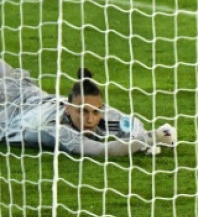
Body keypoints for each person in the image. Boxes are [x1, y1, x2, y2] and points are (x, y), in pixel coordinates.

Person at [0, 60, 177, 157]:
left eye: (95, 112)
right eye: (82, 111)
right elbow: (104, 150)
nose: (90, 119)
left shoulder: (102, 115)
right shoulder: (61, 131)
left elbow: (132, 124)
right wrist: (155, 137)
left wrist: (145, 140)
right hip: (17, 99)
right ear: (68, 108)